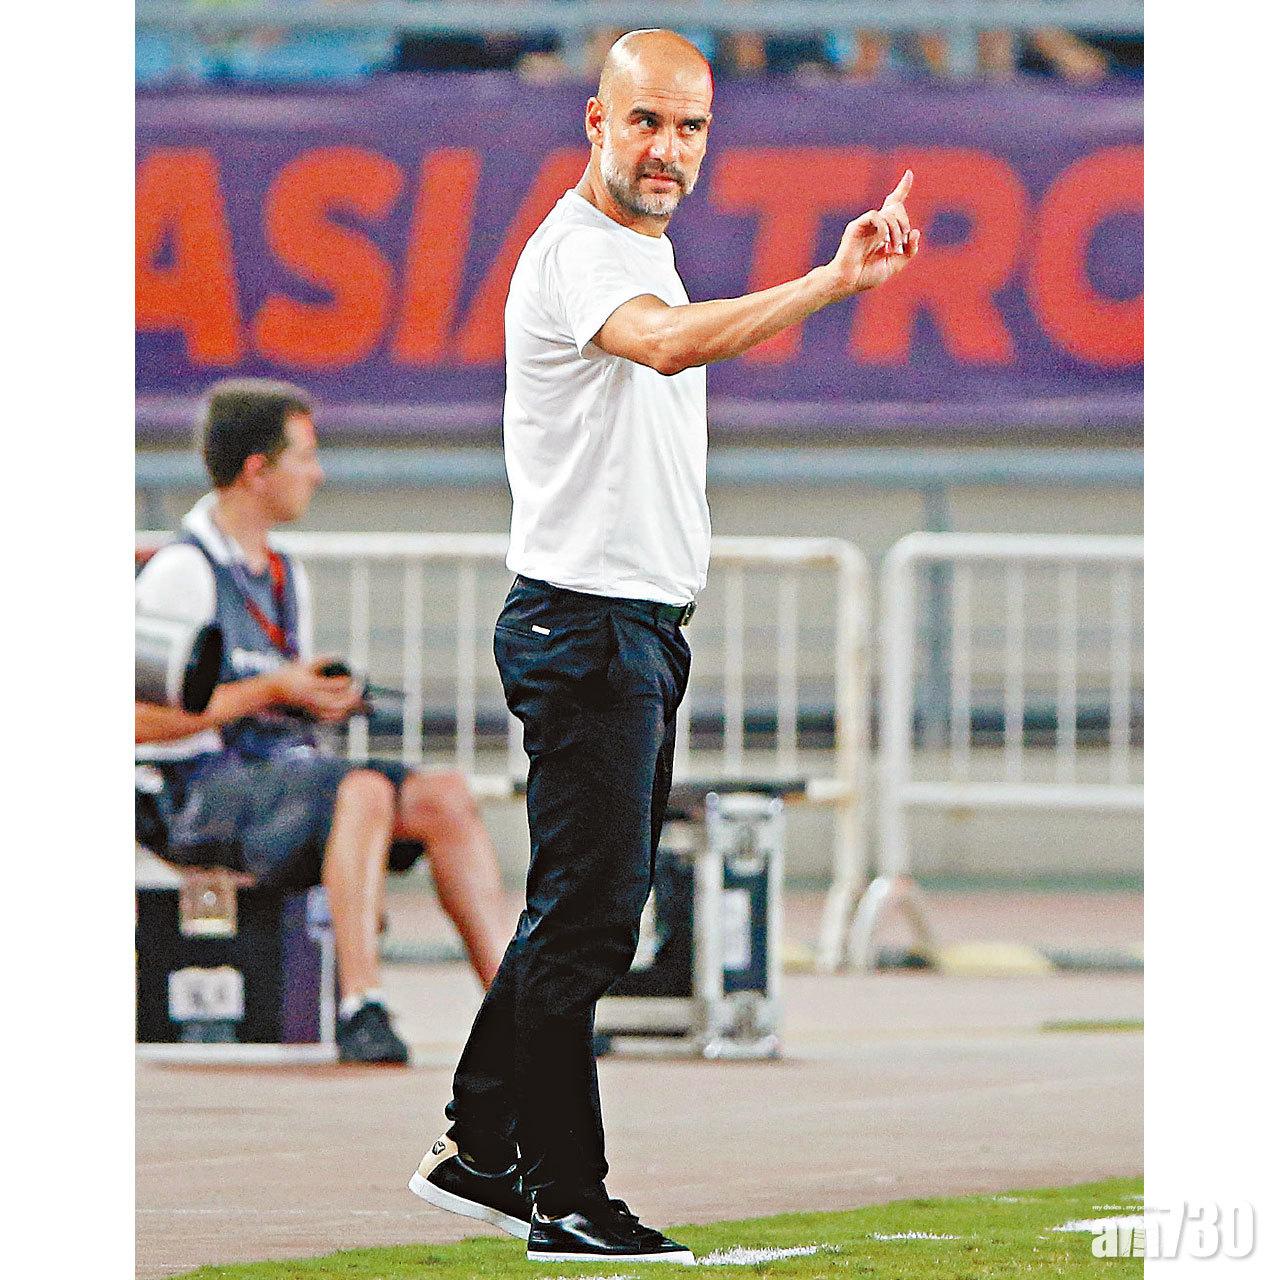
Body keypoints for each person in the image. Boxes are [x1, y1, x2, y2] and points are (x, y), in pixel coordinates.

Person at [407, 28, 919, 1264]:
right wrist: (827, 282)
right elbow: (668, 342)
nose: (668, 148)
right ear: (595, 121)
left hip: (627, 625)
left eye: (690, 126)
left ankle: (481, 1143)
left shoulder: (639, 244)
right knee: (586, 920)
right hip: (584, 624)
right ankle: (563, 1194)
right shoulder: (581, 250)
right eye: (645, 120)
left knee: (584, 910)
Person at [135, 379, 512, 1065]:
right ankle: (361, 1003)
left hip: (278, 777)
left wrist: (315, 697)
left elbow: (269, 695)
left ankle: (519, 1012)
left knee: (445, 795)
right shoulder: (182, 573)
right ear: (257, 469)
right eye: (305, 457)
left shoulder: (286, 576)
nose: (318, 473)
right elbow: (131, 721)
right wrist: (271, 687)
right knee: (361, 791)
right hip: (190, 793)